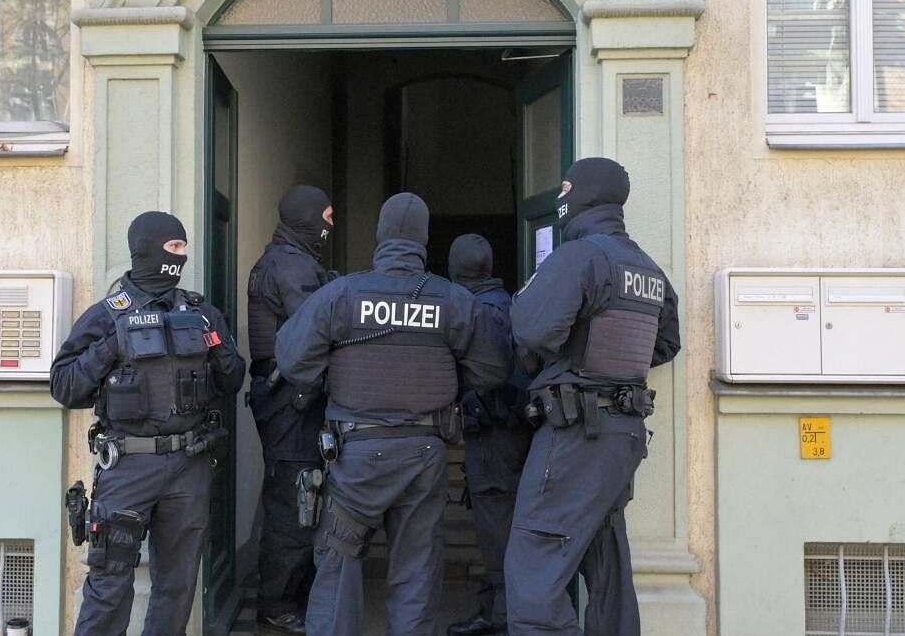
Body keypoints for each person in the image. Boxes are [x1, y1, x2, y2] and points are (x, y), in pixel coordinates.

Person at [275, 192, 510, 636]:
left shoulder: (340, 294)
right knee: (416, 573)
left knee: (338, 567)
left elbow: (291, 361)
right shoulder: (453, 299)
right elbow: (494, 369)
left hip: (355, 455)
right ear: (424, 238)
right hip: (425, 452)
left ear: (380, 234)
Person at [504, 157, 680, 636]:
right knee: (607, 570)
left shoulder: (580, 257)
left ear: (584, 194)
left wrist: (573, 361)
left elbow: (533, 328)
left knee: (535, 567)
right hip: (622, 435)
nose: (560, 197)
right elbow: (665, 345)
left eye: (565, 188)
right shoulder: (648, 268)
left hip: (577, 433)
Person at [50, 211, 246, 636]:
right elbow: (65, 386)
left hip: (189, 464)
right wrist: (112, 346)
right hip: (128, 466)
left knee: (177, 587)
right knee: (109, 584)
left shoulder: (200, 312)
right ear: (147, 249)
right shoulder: (107, 314)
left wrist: (218, 343)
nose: (182, 255)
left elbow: (232, 381)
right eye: (174, 247)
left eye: (183, 247)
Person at [246, 185, 336, 633]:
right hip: (290, 402)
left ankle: (288, 596)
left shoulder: (291, 260)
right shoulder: (290, 265)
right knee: (292, 502)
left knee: (298, 497)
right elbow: (316, 327)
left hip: (287, 399)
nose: (330, 224)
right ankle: (277, 602)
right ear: (307, 218)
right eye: (326, 215)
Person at [445, 234, 533, 636]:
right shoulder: (510, 302)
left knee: (496, 525)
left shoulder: (473, 311)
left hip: (496, 434)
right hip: (512, 433)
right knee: (501, 521)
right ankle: (497, 607)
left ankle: (500, 615)